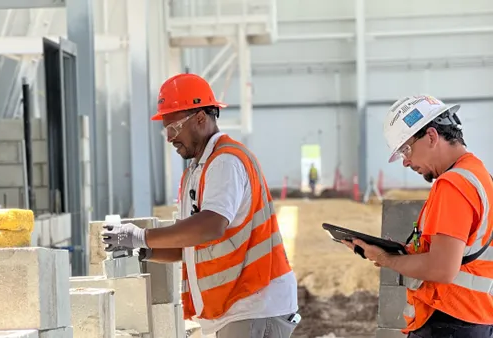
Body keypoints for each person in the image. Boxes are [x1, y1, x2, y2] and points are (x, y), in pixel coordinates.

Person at [102, 73, 300, 338]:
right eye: (166, 130)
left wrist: (141, 236)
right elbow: (192, 243)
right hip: (237, 307)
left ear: (200, 119)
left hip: (255, 303)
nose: (170, 138)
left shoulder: (225, 162)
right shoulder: (198, 170)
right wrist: (142, 250)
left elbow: (210, 226)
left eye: (173, 128)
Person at [343, 95, 493, 337]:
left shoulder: (453, 184)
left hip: (449, 321)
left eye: (406, 149)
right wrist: (402, 252)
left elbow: (442, 269)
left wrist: (385, 258)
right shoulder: (478, 175)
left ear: (432, 136)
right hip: (472, 318)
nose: (406, 162)